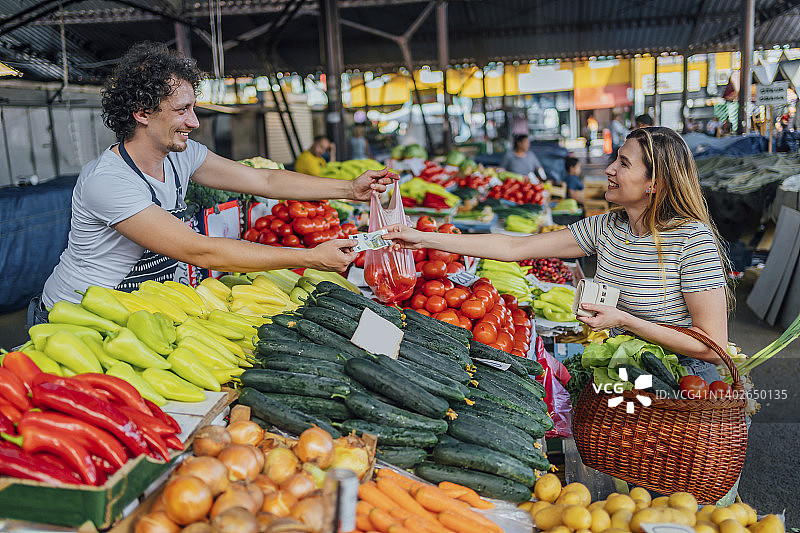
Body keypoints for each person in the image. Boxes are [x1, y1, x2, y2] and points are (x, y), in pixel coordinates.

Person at [32, 42, 396, 327]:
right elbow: (199, 251)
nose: (194, 122)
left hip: (135, 308)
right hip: (77, 314)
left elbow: (263, 179)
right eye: (181, 110)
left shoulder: (181, 155)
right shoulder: (109, 181)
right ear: (141, 113)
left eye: (194, 108)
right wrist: (310, 258)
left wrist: (349, 189)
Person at [385, 127, 730, 383]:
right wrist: (426, 238)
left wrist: (623, 320)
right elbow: (513, 247)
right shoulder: (607, 228)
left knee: (671, 481)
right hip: (630, 373)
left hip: (686, 385)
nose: (609, 169)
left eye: (623, 163)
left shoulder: (690, 240)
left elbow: (714, 347)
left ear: (654, 184)